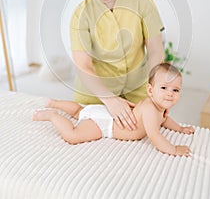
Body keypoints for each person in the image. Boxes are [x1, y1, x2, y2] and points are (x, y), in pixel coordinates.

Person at [70, 0, 165, 132]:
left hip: (138, 91)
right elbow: (83, 65)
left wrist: (155, 95)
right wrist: (110, 101)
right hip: (95, 95)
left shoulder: (142, 1)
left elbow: (155, 50)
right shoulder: (80, 15)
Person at [33, 63, 195, 157]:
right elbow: (154, 135)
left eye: (175, 90)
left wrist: (179, 128)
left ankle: (55, 103)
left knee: (80, 111)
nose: (170, 93)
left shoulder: (159, 109)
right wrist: (173, 149)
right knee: (73, 135)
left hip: (108, 112)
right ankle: (52, 115)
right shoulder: (150, 109)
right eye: (164, 88)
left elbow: (165, 120)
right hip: (104, 124)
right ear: (151, 91)